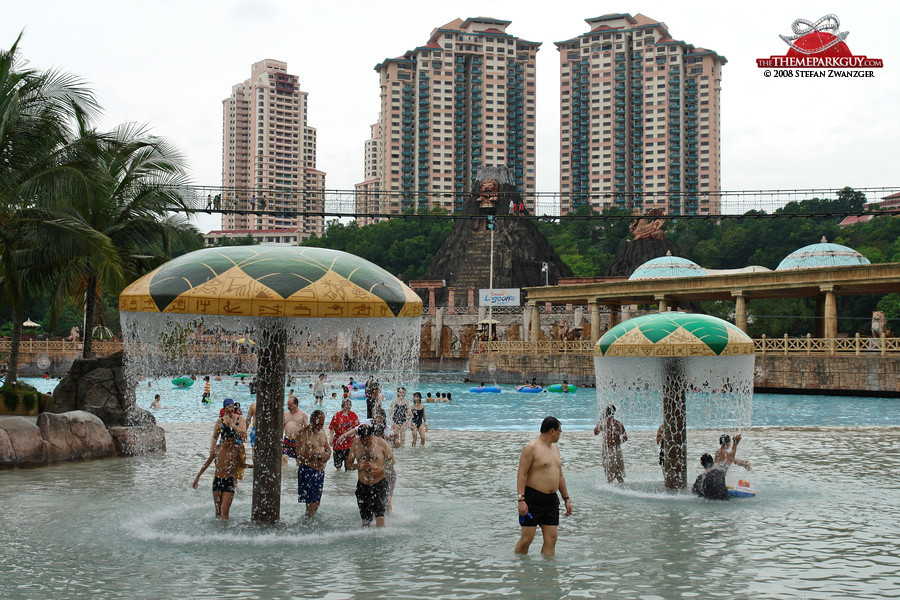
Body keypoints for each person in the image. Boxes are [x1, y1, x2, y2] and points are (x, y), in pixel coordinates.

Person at [515, 416, 573, 556]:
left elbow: (559, 475)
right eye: (560, 430)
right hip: (533, 498)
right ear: (552, 431)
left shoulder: (555, 449)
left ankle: (548, 574)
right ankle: (520, 568)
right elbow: (521, 475)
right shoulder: (532, 448)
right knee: (526, 539)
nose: (560, 433)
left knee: (552, 539)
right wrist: (521, 500)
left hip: (551, 500)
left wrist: (566, 498)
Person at [193, 427, 253, 520]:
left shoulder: (235, 449)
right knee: (218, 512)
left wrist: (253, 466)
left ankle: (225, 532)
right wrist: (198, 477)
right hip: (217, 480)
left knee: (224, 512)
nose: (229, 443)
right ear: (223, 439)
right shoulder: (217, 449)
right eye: (227, 440)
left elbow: (241, 464)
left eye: (232, 440)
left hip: (229, 481)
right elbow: (207, 463)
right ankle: (217, 532)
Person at [346, 424, 394, 527]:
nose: (365, 443)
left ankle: (380, 540)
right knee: (365, 520)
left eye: (367, 440)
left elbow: (391, 460)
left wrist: (382, 469)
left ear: (371, 435)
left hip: (379, 483)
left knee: (380, 516)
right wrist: (359, 465)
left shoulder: (381, 443)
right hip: (363, 485)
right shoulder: (356, 445)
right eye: (362, 441)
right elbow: (348, 465)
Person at [295, 410, 332, 518]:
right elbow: (300, 456)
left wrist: (327, 455)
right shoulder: (303, 434)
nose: (320, 426)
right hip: (307, 470)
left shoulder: (322, 432)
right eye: (318, 424)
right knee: (311, 502)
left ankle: (308, 519)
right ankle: (309, 522)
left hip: (320, 471)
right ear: (311, 421)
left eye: (322, 424)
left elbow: (327, 448)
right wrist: (318, 455)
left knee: (317, 503)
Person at [693, 434, 743, 500]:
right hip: (724, 502)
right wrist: (735, 444)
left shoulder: (700, 478)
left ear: (702, 465)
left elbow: (693, 491)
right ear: (713, 462)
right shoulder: (720, 471)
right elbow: (731, 459)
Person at [594, 405, 627, 483]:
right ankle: (622, 489)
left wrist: (601, 418)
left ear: (605, 412)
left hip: (608, 450)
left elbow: (595, 432)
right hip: (617, 449)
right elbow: (625, 437)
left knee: (610, 476)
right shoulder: (618, 423)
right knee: (619, 476)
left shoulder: (603, 422)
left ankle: (610, 490)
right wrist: (617, 442)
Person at [329, 398, 360, 470]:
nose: (348, 406)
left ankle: (347, 480)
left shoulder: (353, 415)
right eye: (346, 404)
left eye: (350, 405)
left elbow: (357, 429)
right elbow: (331, 428)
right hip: (338, 444)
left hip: (349, 444)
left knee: (348, 466)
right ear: (343, 405)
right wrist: (331, 438)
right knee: (337, 466)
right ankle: (340, 480)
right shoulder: (337, 415)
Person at [283, 396, 309, 465]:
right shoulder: (285, 414)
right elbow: (282, 427)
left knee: (299, 461)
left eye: (290, 405)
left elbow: (307, 428)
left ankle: (297, 474)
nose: (288, 407)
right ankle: (284, 474)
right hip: (287, 440)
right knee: (284, 457)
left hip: (298, 441)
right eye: (287, 405)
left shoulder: (302, 414)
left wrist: (307, 441)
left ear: (296, 404)